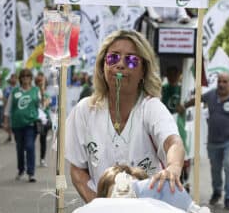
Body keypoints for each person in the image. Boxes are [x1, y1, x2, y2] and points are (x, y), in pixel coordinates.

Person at [66, 30, 186, 203]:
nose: (120, 65)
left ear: (143, 71)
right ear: (102, 65)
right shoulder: (85, 110)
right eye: (113, 58)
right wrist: (97, 205)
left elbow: (173, 142)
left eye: (131, 60)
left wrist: (174, 167)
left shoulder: (151, 107)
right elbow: (77, 169)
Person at [177, 72, 229, 211]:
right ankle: (217, 191)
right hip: (214, 141)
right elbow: (197, 99)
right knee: (215, 169)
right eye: (219, 81)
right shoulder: (211, 95)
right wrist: (184, 106)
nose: (221, 84)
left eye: (225, 82)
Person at [4, 69, 40, 182]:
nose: (25, 78)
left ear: (31, 78)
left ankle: (31, 173)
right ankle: (21, 169)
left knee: (30, 146)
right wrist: (6, 122)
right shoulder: (15, 92)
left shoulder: (36, 90)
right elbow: (8, 108)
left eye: (28, 76)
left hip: (31, 123)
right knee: (20, 148)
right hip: (17, 124)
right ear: (20, 78)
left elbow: (41, 105)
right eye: (23, 76)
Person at [161, 65, 190, 189]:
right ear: (167, 75)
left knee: (181, 150)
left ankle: (184, 178)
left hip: (180, 125)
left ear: (180, 75)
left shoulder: (184, 90)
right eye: (170, 73)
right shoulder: (162, 89)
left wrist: (185, 106)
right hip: (165, 125)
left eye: (175, 73)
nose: (173, 77)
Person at [34, 72, 51, 167]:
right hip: (34, 118)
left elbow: (44, 105)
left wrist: (42, 93)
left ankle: (42, 159)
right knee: (30, 140)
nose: (41, 84)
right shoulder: (33, 93)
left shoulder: (46, 94)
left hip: (44, 120)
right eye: (39, 82)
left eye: (43, 82)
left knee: (43, 140)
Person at [2, 74, 17, 143]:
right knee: (7, 124)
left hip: (16, 108)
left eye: (15, 78)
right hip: (8, 107)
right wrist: (5, 106)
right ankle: (10, 136)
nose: (13, 80)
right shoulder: (7, 88)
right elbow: (4, 98)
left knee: (14, 123)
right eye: (12, 78)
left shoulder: (18, 88)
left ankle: (12, 136)